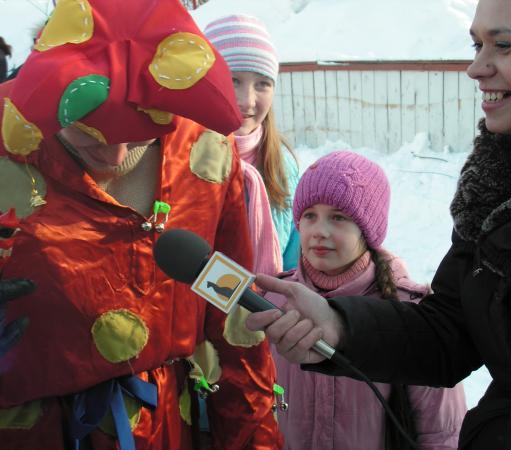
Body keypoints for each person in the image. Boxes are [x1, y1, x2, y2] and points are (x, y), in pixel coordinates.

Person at [246, 0, 511, 448]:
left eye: (503, 45)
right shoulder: (498, 193)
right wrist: (340, 326)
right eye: (477, 44)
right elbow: (448, 332)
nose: (476, 68)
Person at [0, 1, 282, 449]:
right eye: (85, 131)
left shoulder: (205, 150)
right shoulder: (6, 137)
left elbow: (230, 310)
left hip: (162, 429)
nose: (115, 158)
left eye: (136, 137)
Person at [264, 150, 467, 449]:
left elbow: (442, 432)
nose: (320, 231)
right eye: (310, 215)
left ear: (368, 230)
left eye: (338, 217)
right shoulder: (274, 302)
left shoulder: (408, 315)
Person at [204, 15, 300, 275]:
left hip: (269, 309)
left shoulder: (283, 166)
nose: (248, 101)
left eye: (262, 84)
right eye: (233, 80)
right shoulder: (177, 159)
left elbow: (296, 260)